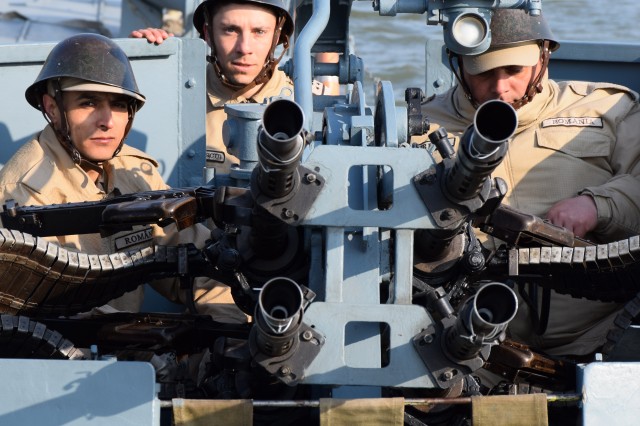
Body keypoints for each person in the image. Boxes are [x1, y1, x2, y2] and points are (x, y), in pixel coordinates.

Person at [416, 8, 640, 359]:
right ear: (458, 65)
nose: (500, 86)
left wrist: (598, 206)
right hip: (467, 346)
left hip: (605, 333)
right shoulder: (417, 129)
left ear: (544, 56)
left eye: (513, 70)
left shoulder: (608, 109)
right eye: (483, 72)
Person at [0, 33, 245, 323]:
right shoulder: (23, 195)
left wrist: (229, 326)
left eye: (118, 105)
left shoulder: (133, 172)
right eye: (88, 103)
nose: (107, 121)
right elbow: (50, 312)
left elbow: (204, 263)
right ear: (52, 108)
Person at [132, 0, 295, 174]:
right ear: (208, 34)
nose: (244, 48)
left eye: (259, 32)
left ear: (276, 37)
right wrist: (138, 67)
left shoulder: (305, 100)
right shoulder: (174, 90)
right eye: (230, 30)